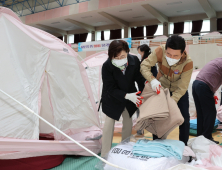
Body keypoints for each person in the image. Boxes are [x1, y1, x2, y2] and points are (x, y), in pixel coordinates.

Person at [140, 35, 193, 145]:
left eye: (175, 55)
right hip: (162, 87)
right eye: (168, 54)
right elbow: (144, 66)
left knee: (184, 119)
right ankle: (157, 144)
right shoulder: (159, 51)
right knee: (158, 117)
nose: (171, 57)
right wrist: (153, 80)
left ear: (182, 53)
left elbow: (182, 87)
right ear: (166, 49)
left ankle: (184, 146)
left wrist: (171, 102)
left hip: (179, 90)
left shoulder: (188, 63)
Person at [100, 40, 146, 157]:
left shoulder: (134, 61)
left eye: (122, 56)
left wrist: (145, 92)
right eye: (116, 57)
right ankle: (105, 155)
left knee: (128, 122)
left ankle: (123, 150)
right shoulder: (107, 66)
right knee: (109, 124)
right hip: (112, 97)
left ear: (127, 52)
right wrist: (126, 95)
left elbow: (140, 79)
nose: (120, 59)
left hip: (130, 97)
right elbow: (110, 88)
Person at [192, 58, 222, 144]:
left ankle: (200, 138)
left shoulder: (217, 61)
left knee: (201, 114)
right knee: (211, 113)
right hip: (204, 86)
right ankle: (207, 138)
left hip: (196, 85)